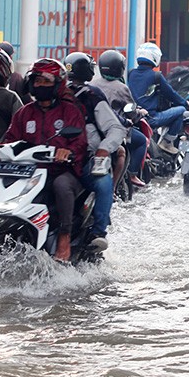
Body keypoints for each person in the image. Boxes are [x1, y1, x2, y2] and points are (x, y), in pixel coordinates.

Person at [0, 58, 87, 262]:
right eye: (37, 81)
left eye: (46, 82)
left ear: (57, 85)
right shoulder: (24, 112)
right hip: (29, 172)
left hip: (60, 171)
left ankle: (64, 237)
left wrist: (66, 152)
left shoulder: (69, 112)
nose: (41, 85)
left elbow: (80, 142)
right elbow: (11, 139)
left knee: (61, 186)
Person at [65, 52, 128, 252]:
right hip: (51, 161)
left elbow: (115, 127)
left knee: (103, 182)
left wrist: (102, 149)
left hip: (83, 158)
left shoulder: (92, 96)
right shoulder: (49, 99)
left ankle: (98, 231)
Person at [92, 49, 148, 187]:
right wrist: (140, 114)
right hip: (114, 129)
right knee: (142, 141)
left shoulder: (93, 84)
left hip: (94, 128)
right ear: (120, 68)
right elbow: (132, 111)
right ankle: (132, 174)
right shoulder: (121, 88)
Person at [127, 42, 187, 155]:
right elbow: (172, 94)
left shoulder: (131, 74)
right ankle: (167, 142)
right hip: (152, 118)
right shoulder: (156, 76)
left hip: (136, 116)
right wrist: (185, 103)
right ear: (155, 57)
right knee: (181, 110)